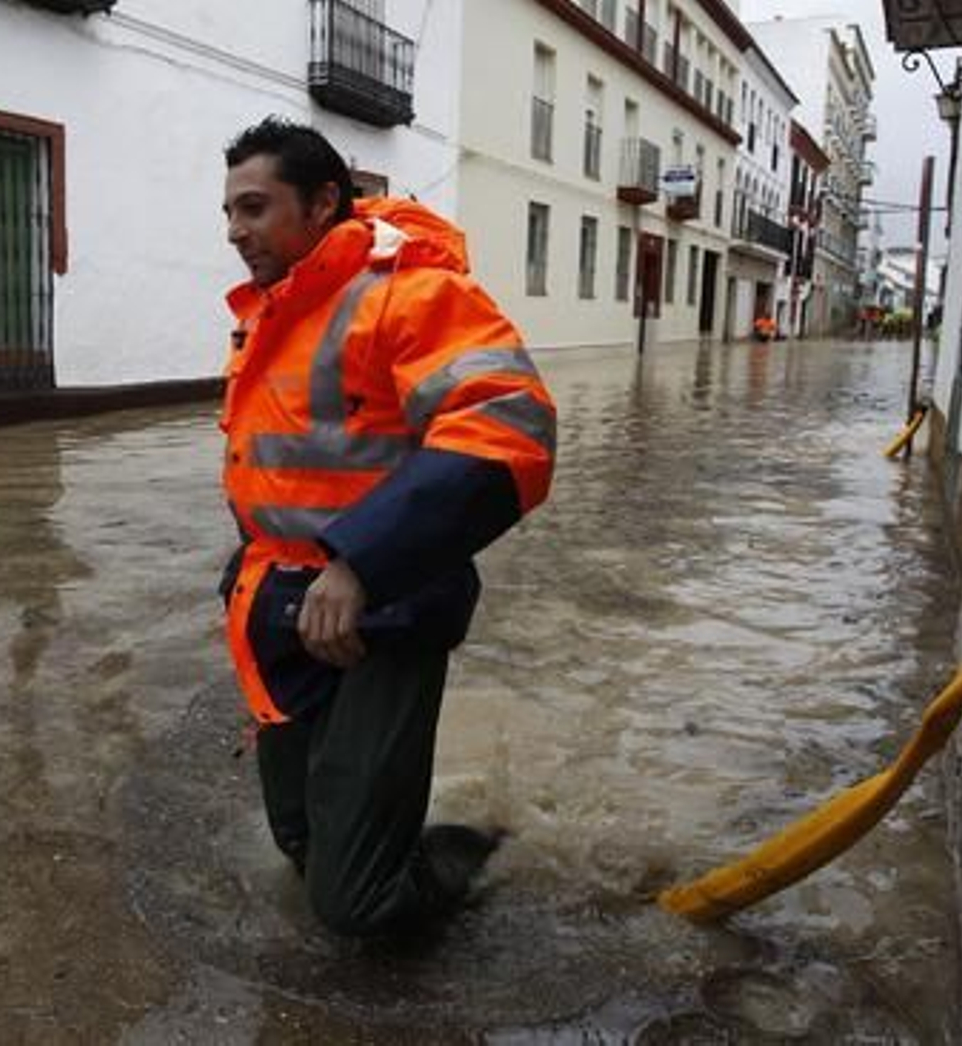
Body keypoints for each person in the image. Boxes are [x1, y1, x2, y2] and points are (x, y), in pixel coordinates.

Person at [216, 117, 556, 937]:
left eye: (255, 208)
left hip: (380, 610)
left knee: (352, 904)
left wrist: (361, 565)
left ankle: (476, 862)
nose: (235, 232)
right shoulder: (269, 312)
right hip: (280, 610)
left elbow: (509, 426)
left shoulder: (413, 290)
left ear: (324, 200)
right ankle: (395, 845)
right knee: (301, 844)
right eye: (228, 212)